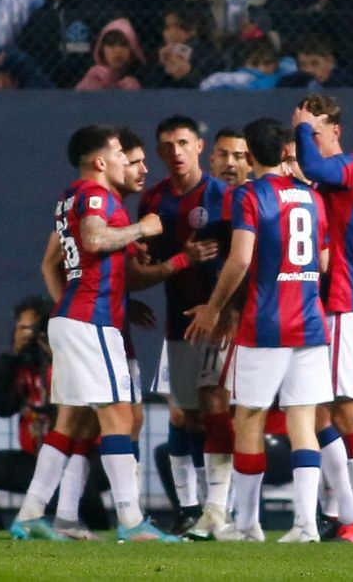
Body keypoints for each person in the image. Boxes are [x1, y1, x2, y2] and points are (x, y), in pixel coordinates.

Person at [10, 125, 168, 542]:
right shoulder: (95, 195)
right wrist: (142, 229)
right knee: (117, 416)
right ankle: (132, 522)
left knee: (71, 421)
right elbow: (95, 240)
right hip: (90, 320)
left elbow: (61, 259)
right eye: (118, 152)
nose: (124, 159)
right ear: (100, 161)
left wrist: (72, 308)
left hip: (75, 316)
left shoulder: (71, 198)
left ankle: (30, 515)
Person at [186, 117, 332, 544]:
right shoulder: (312, 198)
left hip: (266, 323)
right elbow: (322, 263)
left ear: (249, 155)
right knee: (302, 419)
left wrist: (214, 307)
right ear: (287, 152)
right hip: (309, 322)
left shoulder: (250, 195)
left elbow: (240, 259)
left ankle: (249, 524)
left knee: (248, 417)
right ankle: (306, 524)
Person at [292, 93, 353, 543]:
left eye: (316, 128)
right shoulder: (322, 184)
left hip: (345, 304)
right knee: (319, 410)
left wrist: (301, 133)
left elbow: (315, 168)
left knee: (347, 408)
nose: (308, 137)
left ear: (335, 131)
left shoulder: (352, 166)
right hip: (321, 305)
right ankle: (345, 509)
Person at [137, 115, 229, 537]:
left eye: (183, 143)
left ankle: (218, 509)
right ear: (159, 152)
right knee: (184, 416)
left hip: (221, 320)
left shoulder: (221, 195)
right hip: (178, 319)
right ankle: (192, 509)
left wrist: (227, 308)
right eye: (167, 145)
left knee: (215, 410)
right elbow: (144, 263)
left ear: (199, 147)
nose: (175, 152)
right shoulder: (153, 200)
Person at [0, 296, 110, 532]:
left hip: (88, 456)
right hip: (36, 458)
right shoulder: (20, 365)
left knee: (77, 478)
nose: (28, 334)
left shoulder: (71, 356)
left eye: (33, 328)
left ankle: (102, 532)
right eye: (22, 327)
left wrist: (57, 356)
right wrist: (12, 355)